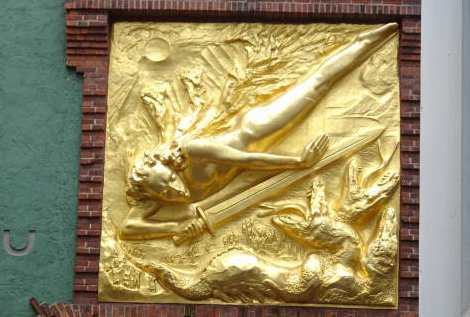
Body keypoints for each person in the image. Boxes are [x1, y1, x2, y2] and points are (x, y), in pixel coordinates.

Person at [120, 23, 397, 240]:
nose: (175, 190)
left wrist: (299, 161)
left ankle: (368, 40)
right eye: (165, 193)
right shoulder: (155, 192)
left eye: (170, 179)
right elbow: (128, 228)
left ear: (170, 167)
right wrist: (174, 227)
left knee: (316, 84)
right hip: (253, 173)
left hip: (258, 132)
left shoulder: (194, 151)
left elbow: (247, 159)